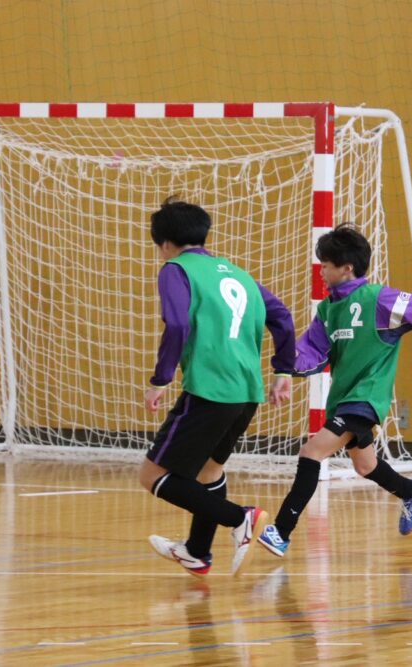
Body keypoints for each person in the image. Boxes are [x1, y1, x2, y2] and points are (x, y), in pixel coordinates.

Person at [258, 224, 412, 558]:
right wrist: (286, 366)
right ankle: (410, 490)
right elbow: (312, 351)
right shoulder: (328, 309)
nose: (321, 271)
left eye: (326, 265)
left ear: (346, 268)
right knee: (365, 466)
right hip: (343, 398)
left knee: (311, 452)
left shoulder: (381, 300)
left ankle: (281, 531)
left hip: (366, 397)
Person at [139, 197, 295, 577]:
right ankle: (196, 551)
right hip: (247, 390)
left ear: (164, 243)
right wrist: (284, 371)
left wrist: (161, 379)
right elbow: (282, 317)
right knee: (209, 471)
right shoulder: (240, 274)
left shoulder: (175, 269)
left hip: (210, 390)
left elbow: (178, 325)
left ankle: (240, 518)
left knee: (152, 476)